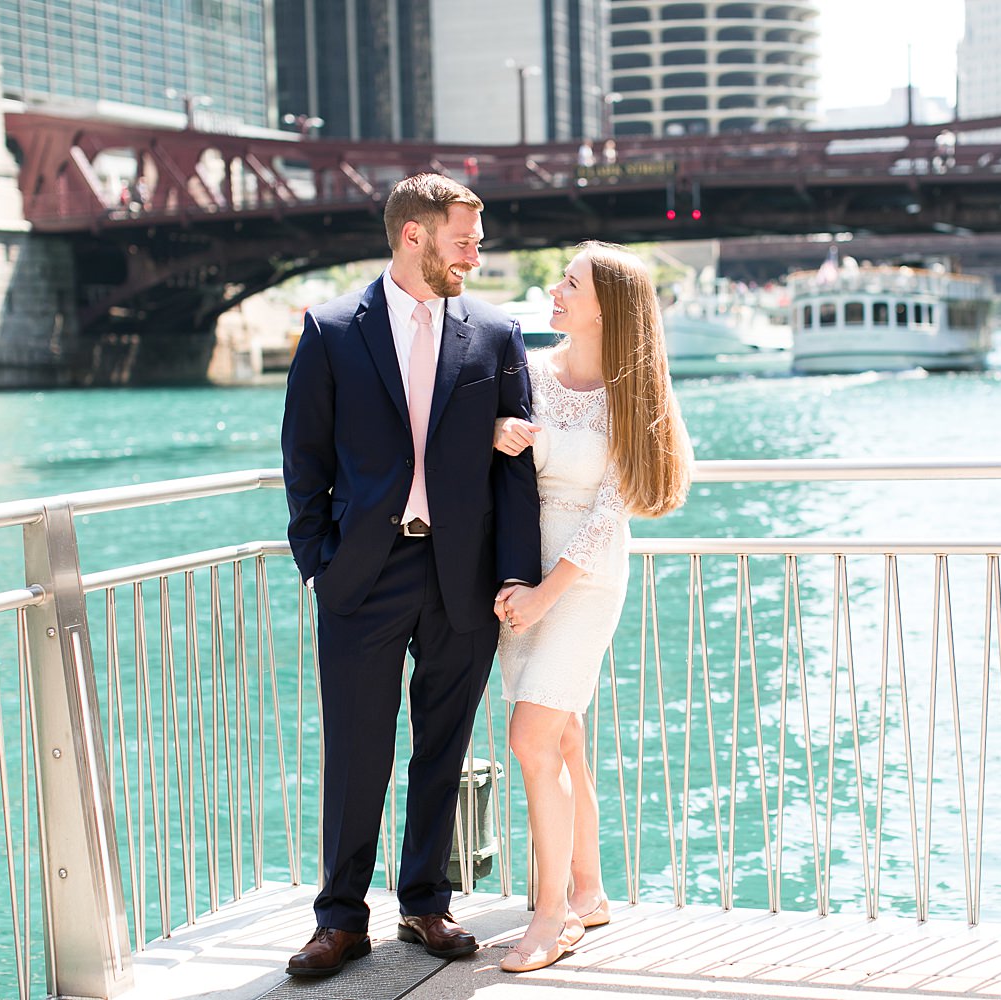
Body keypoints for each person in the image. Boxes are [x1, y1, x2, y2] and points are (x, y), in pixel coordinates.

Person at [280, 172, 542, 977]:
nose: (476, 252)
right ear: (413, 236)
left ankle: (425, 903)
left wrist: (515, 574)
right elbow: (304, 458)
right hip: (363, 573)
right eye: (463, 238)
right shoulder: (331, 330)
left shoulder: (496, 333)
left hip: (462, 574)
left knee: (443, 745)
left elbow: (516, 466)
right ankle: (340, 919)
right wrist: (318, 561)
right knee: (357, 749)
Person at [489, 241, 694, 973]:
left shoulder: (634, 393)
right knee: (564, 733)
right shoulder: (530, 374)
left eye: (569, 282)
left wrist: (547, 594)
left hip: (583, 583)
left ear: (605, 306)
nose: (554, 288)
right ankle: (589, 890)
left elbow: (613, 510)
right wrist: (494, 431)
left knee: (530, 738)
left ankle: (551, 918)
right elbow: (494, 462)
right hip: (522, 575)